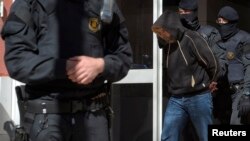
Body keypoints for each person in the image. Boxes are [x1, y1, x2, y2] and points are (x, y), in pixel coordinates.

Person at [1, 0, 133, 141]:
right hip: (47, 118)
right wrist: (64, 67)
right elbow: (17, 61)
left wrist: (100, 65)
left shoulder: (104, 4)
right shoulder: (29, 3)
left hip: (94, 117)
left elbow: (123, 57)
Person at [152, 10, 219, 141]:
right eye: (158, 33)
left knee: (205, 136)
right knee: (167, 136)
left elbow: (213, 62)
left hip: (198, 96)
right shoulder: (167, 44)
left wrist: (213, 81)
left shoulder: (192, 38)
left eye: (162, 32)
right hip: (176, 98)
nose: (160, 35)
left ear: (171, 28)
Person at [212, 6, 250, 124]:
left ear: (232, 22)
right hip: (221, 93)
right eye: (219, 21)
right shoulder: (216, 40)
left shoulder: (244, 39)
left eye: (224, 21)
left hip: (240, 92)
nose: (221, 24)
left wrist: (247, 94)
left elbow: (249, 66)